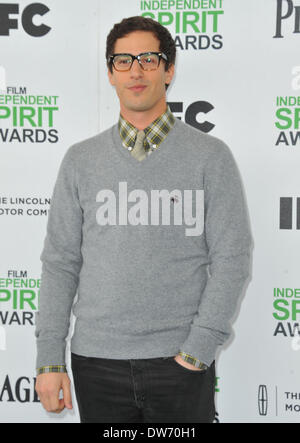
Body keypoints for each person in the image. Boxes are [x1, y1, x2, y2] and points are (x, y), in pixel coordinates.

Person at [34, 15, 253, 423]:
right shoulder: (81, 160)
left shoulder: (210, 156)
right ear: (110, 73)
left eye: (149, 59)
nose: (136, 70)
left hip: (181, 363)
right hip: (95, 363)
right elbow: (60, 263)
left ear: (169, 69)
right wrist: (50, 359)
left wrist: (198, 348)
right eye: (123, 61)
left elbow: (232, 258)